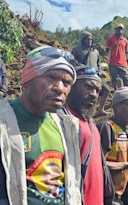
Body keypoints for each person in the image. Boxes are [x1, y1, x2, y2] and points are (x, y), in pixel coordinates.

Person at [0, 46, 82, 204]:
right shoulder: (3, 120)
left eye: (67, 82)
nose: (60, 88)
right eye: (51, 77)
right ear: (28, 80)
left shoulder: (66, 127)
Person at [65, 66, 113, 205]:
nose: (94, 94)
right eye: (88, 86)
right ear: (71, 86)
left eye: (97, 91)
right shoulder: (63, 121)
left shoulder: (91, 124)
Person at [72, 31, 110, 115]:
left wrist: (99, 72)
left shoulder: (95, 51)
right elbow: (73, 62)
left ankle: (100, 109)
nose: (89, 41)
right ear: (83, 39)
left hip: (95, 76)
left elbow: (98, 63)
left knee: (106, 90)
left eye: (91, 39)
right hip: (83, 77)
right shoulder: (77, 50)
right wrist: (83, 68)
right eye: (87, 39)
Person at [105, 23, 128, 89]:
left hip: (122, 63)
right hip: (112, 63)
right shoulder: (110, 39)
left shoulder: (125, 41)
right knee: (114, 79)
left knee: (125, 79)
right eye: (118, 29)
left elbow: (126, 52)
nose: (119, 30)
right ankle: (116, 92)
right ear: (115, 30)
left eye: (121, 29)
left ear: (123, 30)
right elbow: (107, 49)